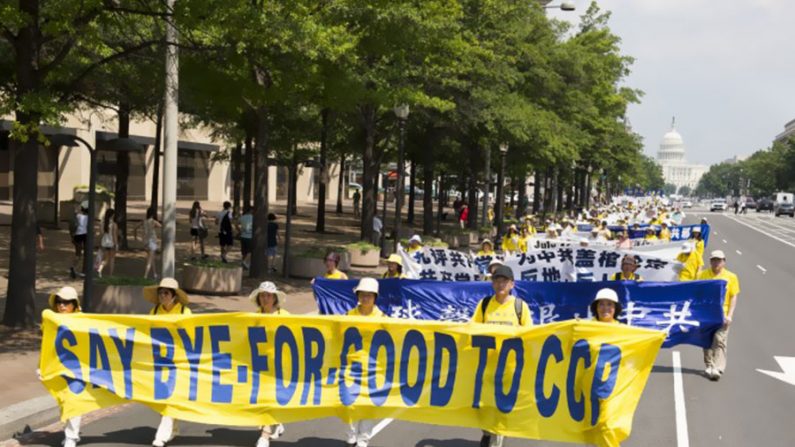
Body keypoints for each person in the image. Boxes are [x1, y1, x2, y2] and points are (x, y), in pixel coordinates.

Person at [471, 265, 531, 447]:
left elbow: (529, 335)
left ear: (512, 284)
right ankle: (488, 432)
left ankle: (496, 440)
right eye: (497, 280)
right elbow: (472, 328)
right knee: (483, 406)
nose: (500, 284)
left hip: (509, 369)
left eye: (504, 281)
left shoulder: (520, 307)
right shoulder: (484, 305)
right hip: (487, 366)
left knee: (502, 407)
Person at [144, 278, 192, 447]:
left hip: (179, 361)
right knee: (164, 396)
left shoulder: (185, 312)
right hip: (160, 361)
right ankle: (173, 428)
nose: (163, 296)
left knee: (171, 395)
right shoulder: (154, 311)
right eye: (161, 292)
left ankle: (162, 434)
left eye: (166, 293)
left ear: (174, 296)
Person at [345, 278, 384, 447]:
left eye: (369, 295)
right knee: (349, 402)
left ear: (375, 297)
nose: (365, 298)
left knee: (368, 404)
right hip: (351, 366)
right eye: (362, 294)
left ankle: (363, 439)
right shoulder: (348, 315)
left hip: (374, 368)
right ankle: (351, 434)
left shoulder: (383, 318)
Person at [249, 281, 288, 446]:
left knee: (271, 397)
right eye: (262, 295)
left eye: (269, 295)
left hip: (280, 365)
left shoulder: (285, 315)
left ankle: (264, 435)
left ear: (275, 298)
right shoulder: (254, 317)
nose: (265, 299)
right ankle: (276, 424)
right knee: (263, 398)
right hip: (260, 365)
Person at [46, 286, 83, 447]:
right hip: (58, 367)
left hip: (79, 369)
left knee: (74, 400)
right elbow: (47, 346)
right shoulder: (52, 321)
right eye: (59, 302)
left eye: (67, 302)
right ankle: (70, 432)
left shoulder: (84, 320)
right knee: (63, 401)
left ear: (74, 304)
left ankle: (71, 436)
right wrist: (42, 366)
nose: (62, 305)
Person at [697, 250, 740, 381]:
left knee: (719, 340)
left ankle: (718, 367)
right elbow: (698, 294)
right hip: (706, 314)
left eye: (719, 260)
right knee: (707, 341)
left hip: (722, 314)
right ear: (710, 261)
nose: (716, 262)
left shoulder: (731, 277)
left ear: (724, 262)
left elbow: (733, 296)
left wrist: (730, 315)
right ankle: (709, 365)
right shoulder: (703, 275)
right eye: (714, 260)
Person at [134, 207, 161, 280]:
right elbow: (161, 226)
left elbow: (135, 227)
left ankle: (155, 274)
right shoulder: (153, 221)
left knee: (151, 258)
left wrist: (136, 237)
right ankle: (145, 276)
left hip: (145, 242)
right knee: (149, 259)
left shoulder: (144, 221)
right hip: (152, 241)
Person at [69, 201, 89, 279]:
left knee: (78, 254)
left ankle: (73, 266)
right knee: (86, 254)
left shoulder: (78, 216)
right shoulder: (89, 217)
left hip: (77, 235)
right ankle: (84, 271)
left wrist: (72, 236)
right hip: (85, 236)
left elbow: (72, 225)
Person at [96, 208, 118, 277]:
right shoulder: (114, 224)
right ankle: (110, 275)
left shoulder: (102, 222)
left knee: (105, 258)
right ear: (112, 215)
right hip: (111, 243)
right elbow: (114, 235)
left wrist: (99, 242)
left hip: (104, 242)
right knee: (111, 259)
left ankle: (100, 268)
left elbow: (101, 233)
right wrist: (116, 244)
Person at [239, 205, 254, 270]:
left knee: (244, 251)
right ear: (251, 210)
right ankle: (245, 262)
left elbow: (236, 223)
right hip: (250, 236)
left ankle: (244, 263)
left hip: (243, 236)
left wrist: (239, 230)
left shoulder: (242, 217)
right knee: (250, 251)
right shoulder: (253, 218)